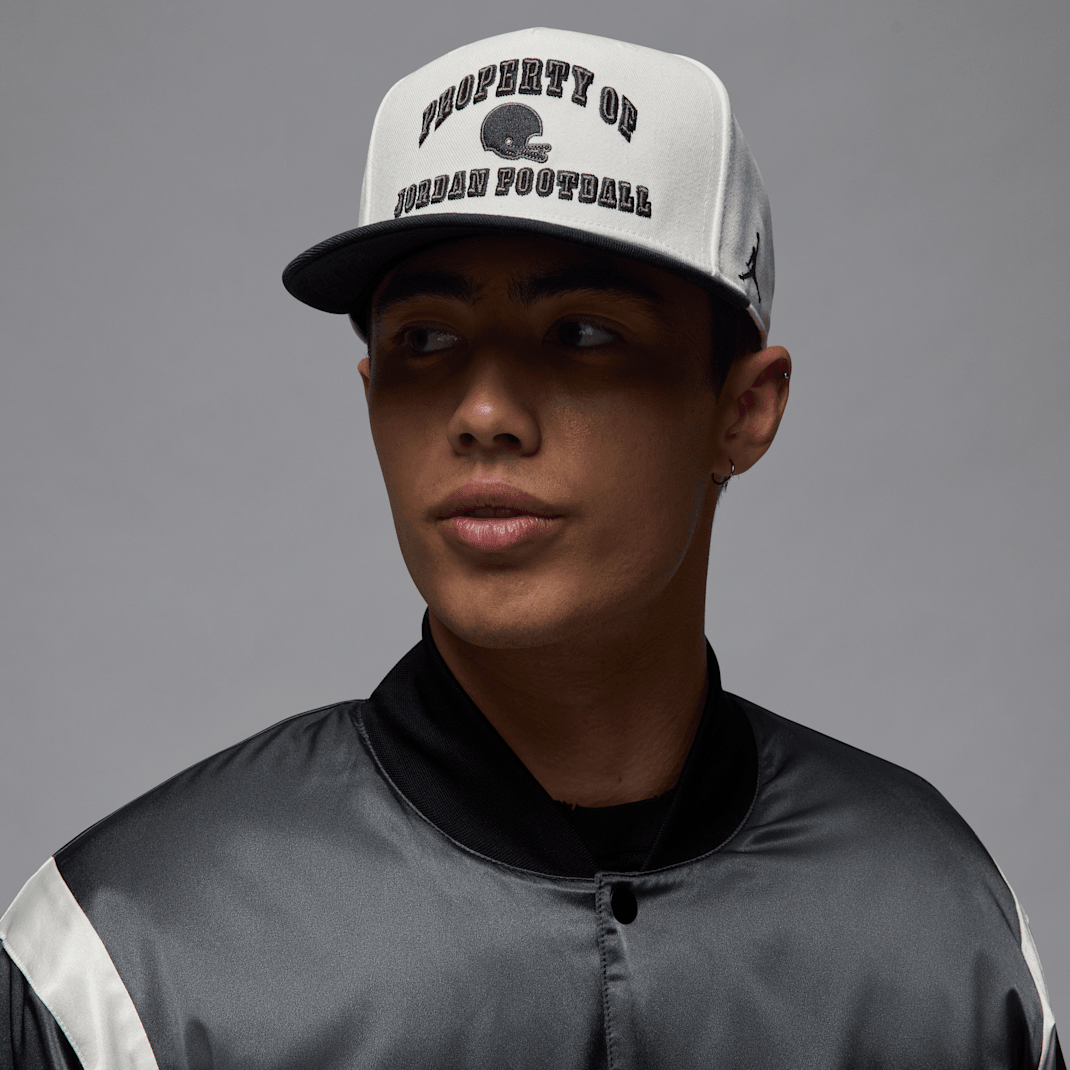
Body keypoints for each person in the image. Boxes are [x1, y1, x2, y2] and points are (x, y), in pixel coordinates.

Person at [1, 26, 1061, 1070]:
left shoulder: (936, 927)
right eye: (424, 340)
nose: (484, 413)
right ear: (370, 395)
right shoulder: (124, 962)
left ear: (743, 408)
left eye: (582, 334)